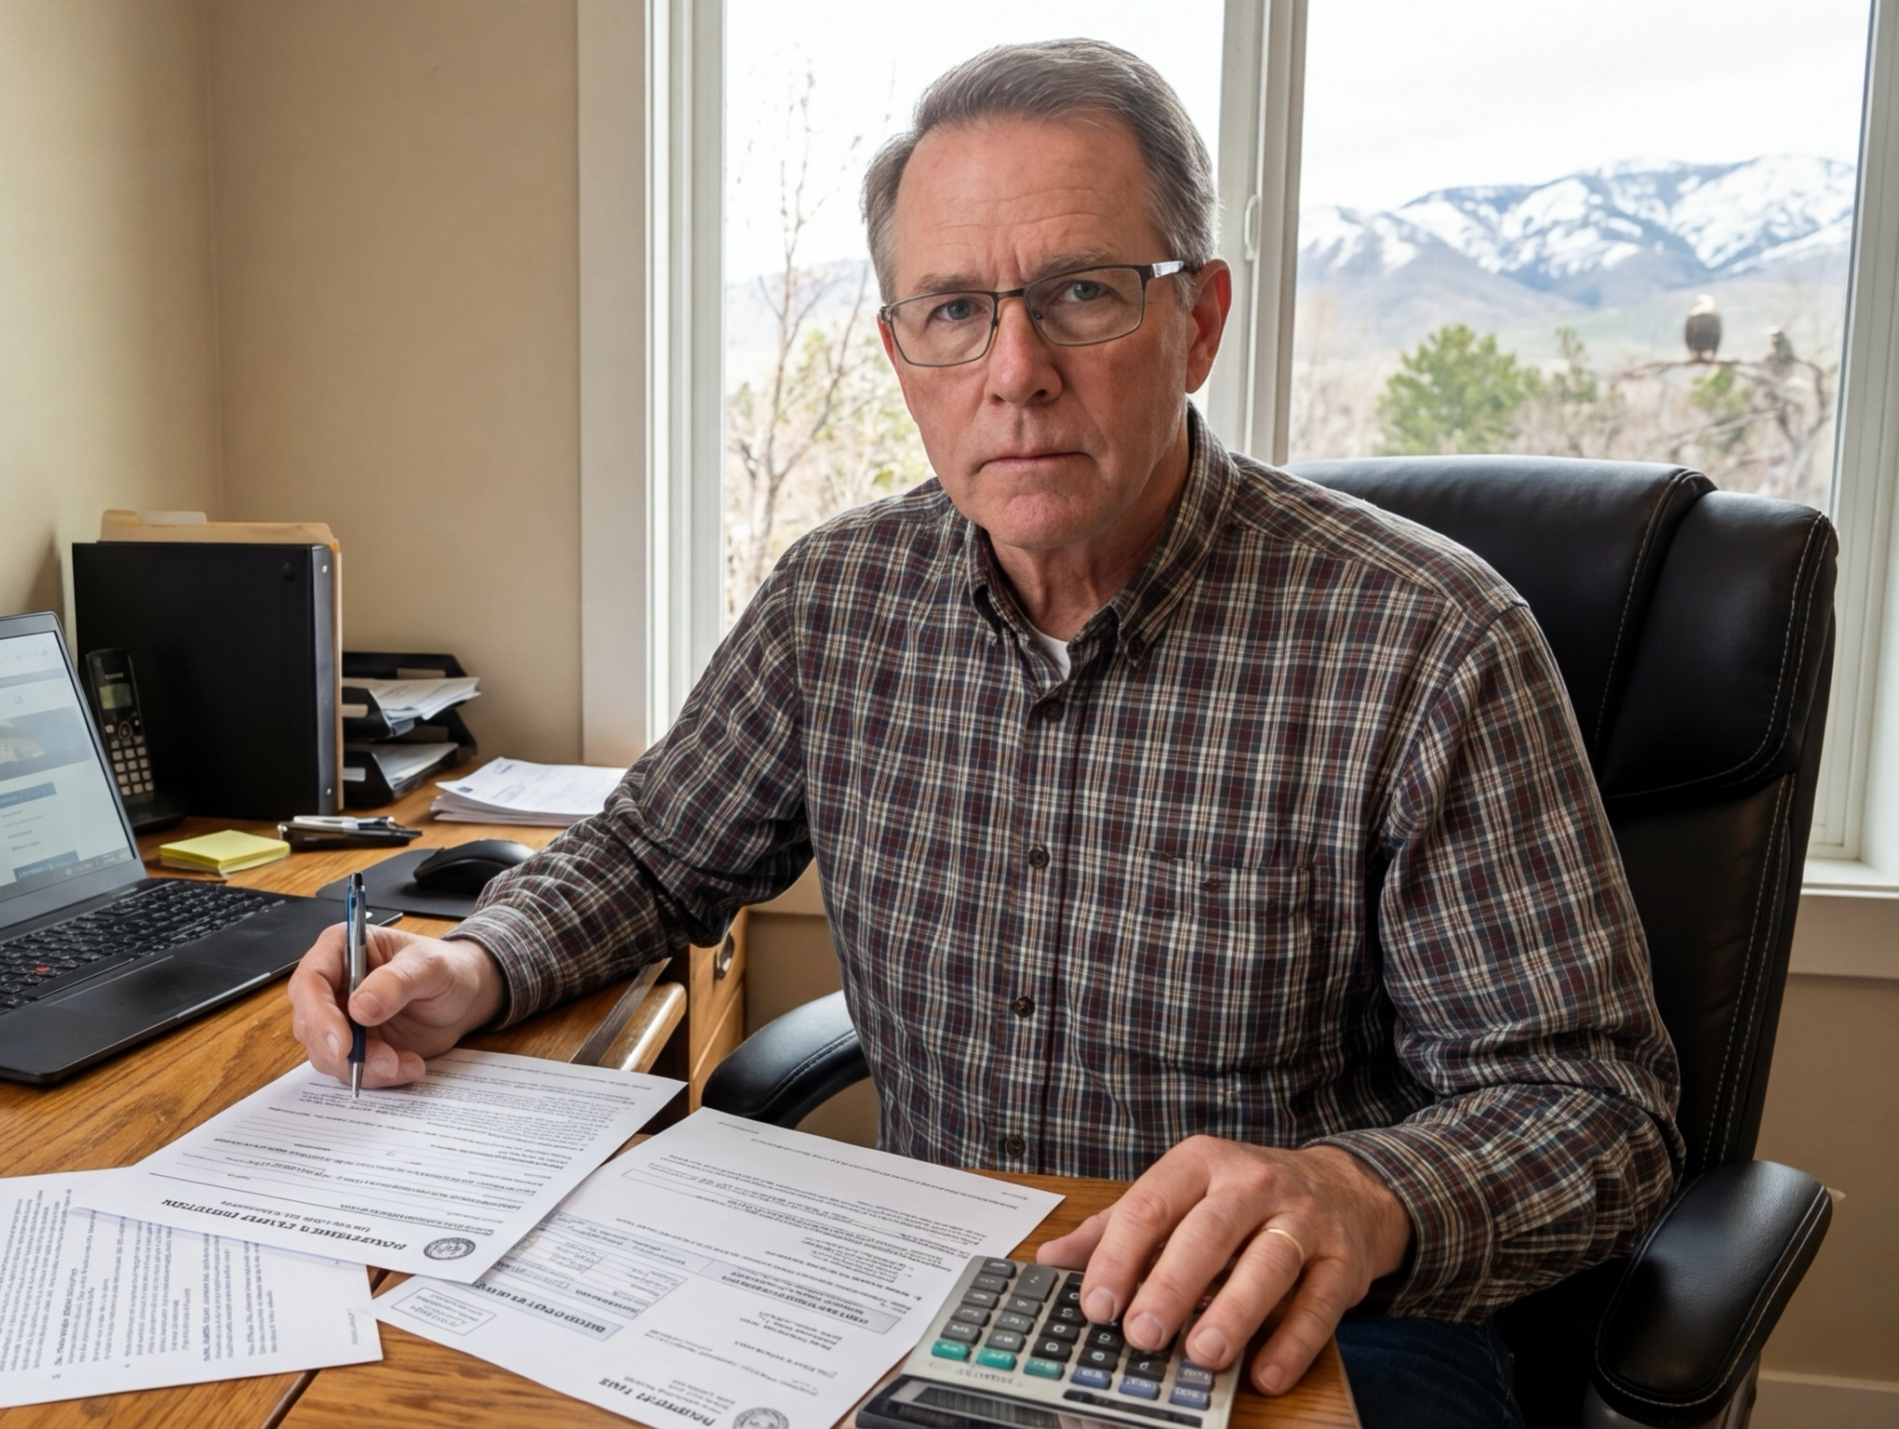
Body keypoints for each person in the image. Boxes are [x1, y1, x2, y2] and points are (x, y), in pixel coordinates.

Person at [286, 39, 1678, 1429]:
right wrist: (473, 965)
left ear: (1199, 321)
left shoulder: (1427, 643)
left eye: (1082, 294)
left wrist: (1357, 1198)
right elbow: (654, 858)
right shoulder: (838, 599)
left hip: (1298, 1337)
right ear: (902, 356)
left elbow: (1597, 1108)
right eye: (953, 310)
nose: (1014, 372)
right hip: (923, 1302)